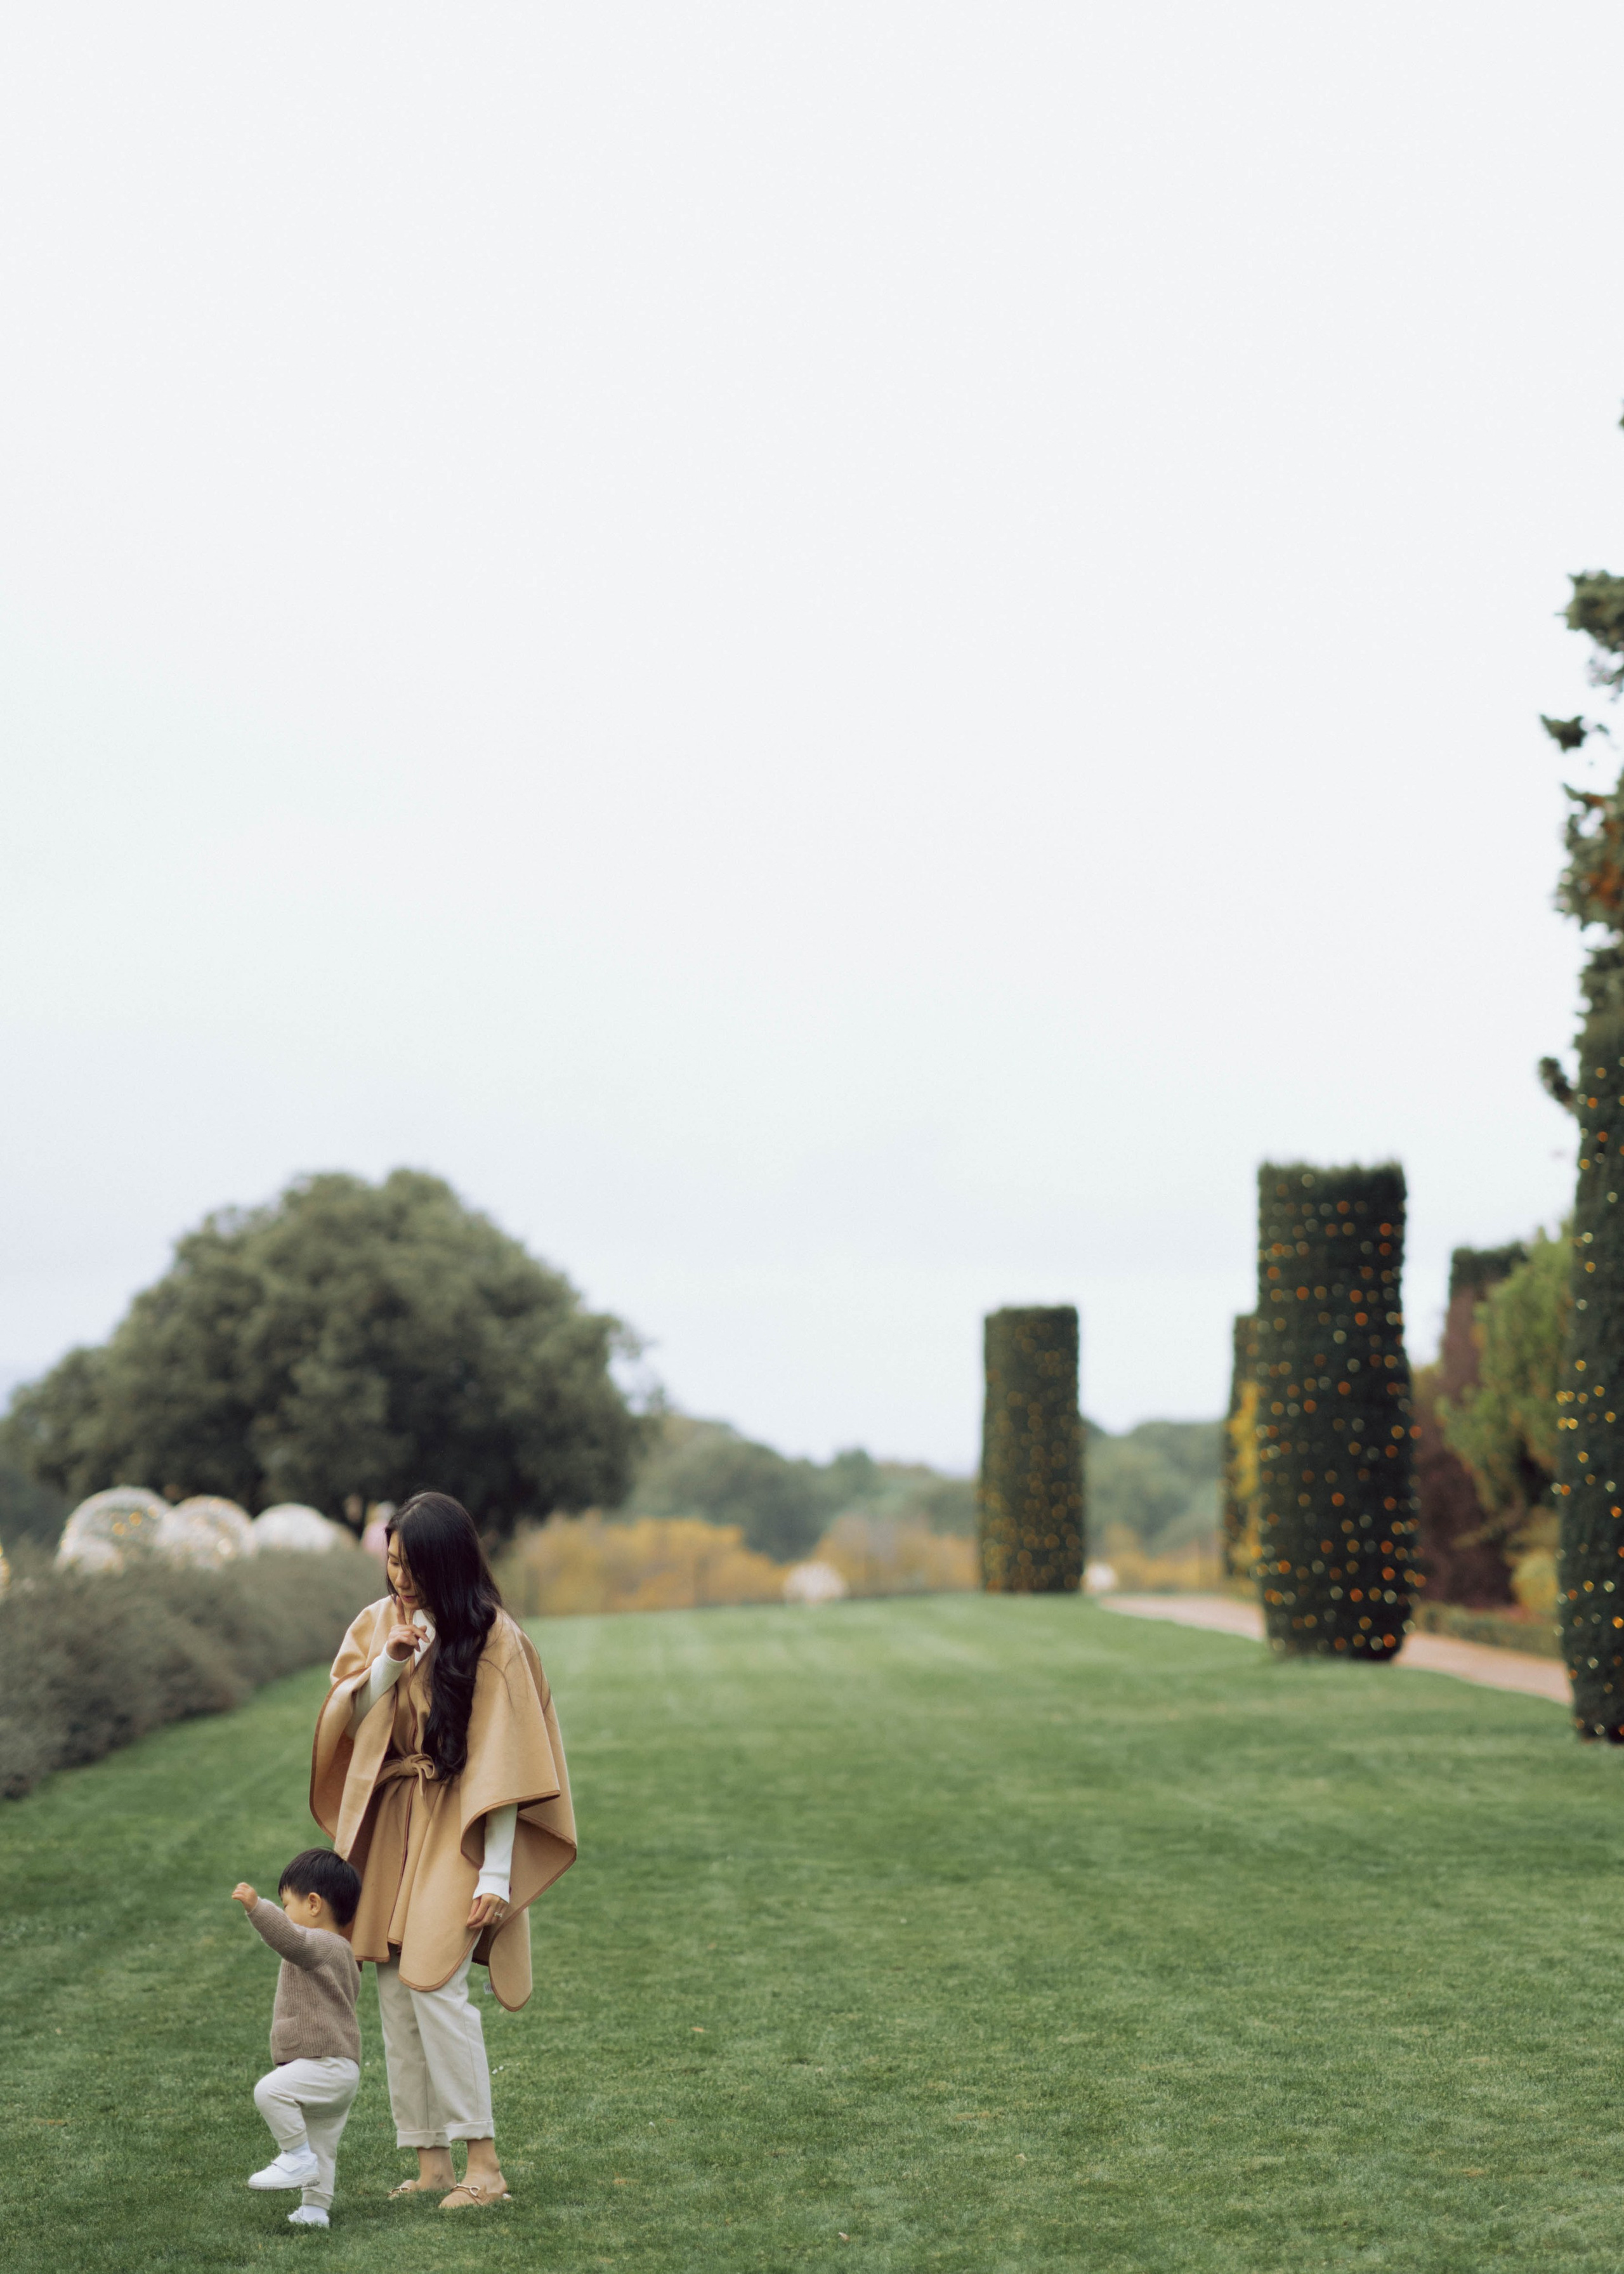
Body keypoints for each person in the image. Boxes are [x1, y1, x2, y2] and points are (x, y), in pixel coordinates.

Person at [310, 1491, 576, 2211]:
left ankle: (484, 2167)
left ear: (444, 1563)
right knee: (395, 1988)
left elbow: (507, 1764)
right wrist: (389, 1666)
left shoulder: (495, 1637)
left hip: (460, 1822)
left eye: (412, 1565)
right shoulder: (376, 1623)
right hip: (394, 1820)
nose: (398, 1578)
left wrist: (495, 1872)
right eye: (391, 1562)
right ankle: (430, 2159)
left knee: (435, 1983)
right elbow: (343, 1717)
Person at [233, 1848, 364, 2231]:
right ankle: (315, 2211)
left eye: (287, 1904)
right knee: (322, 2144)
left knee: (270, 2092)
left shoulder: (320, 1946)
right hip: (339, 2069)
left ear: (313, 1904)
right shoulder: (342, 1953)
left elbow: (289, 1939)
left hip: (324, 2064)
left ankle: (294, 2156)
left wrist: (259, 1908)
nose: (284, 1912)